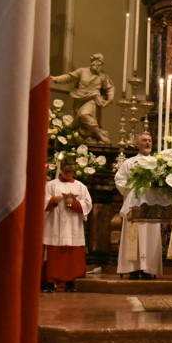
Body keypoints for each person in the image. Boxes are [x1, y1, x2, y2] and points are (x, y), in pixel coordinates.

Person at [114, 132, 163, 280]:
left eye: (149, 140)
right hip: (134, 204)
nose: (148, 143)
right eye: (144, 140)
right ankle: (133, 268)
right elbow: (120, 180)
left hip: (152, 204)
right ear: (137, 144)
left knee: (150, 235)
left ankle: (148, 268)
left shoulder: (158, 163)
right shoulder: (129, 163)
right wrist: (135, 185)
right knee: (133, 236)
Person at [43, 160, 92, 292]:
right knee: (54, 254)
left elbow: (87, 204)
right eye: (66, 171)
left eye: (71, 171)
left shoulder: (80, 186)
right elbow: (43, 201)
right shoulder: (51, 185)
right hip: (55, 223)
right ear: (61, 170)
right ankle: (50, 282)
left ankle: (71, 282)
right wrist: (53, 201)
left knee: (72, 255)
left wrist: (73, 203)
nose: (69, 173)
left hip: (73, 224)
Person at [54, 53, 115, 144]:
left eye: (100, 63)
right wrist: (55, 79)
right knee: (81, 123)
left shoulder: (103, 76)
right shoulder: (82, 71)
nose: (97, 64)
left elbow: (110, 88)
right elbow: (69, 77)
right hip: (79, 99)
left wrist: (109, 99)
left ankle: (100, 136)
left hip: (93, 100)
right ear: (92, 62)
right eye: (96, 62)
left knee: (84, 114)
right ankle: (89, 137)